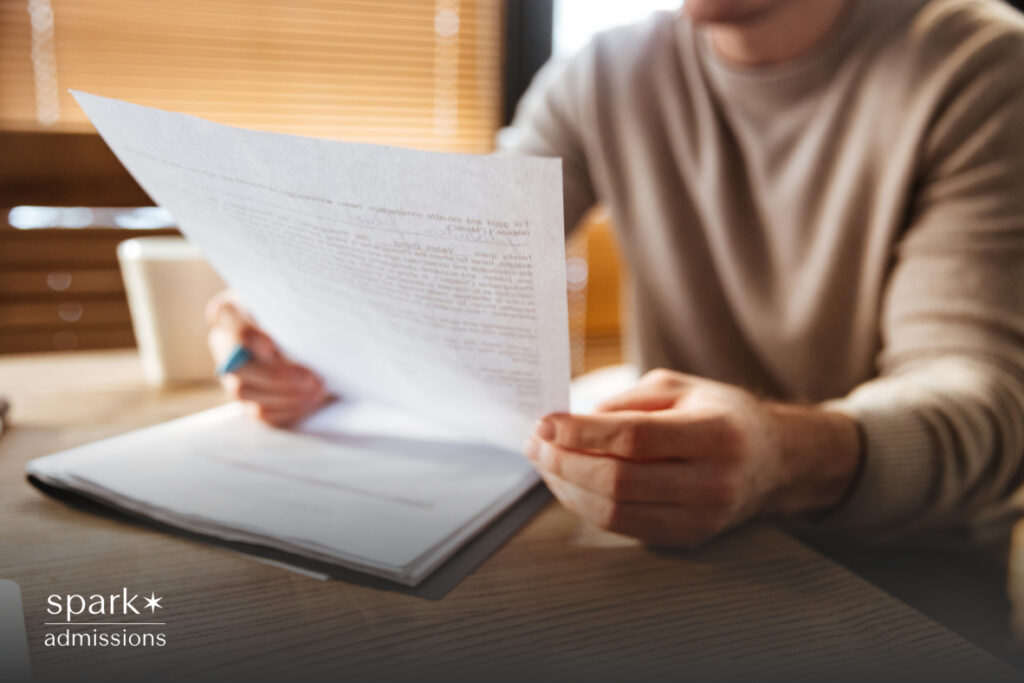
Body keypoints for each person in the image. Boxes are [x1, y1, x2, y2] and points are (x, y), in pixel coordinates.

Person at [208, 0, 1024, 548]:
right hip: (670, 559)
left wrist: (781, 455)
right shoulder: (604, 74)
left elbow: (985, 397)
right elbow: (451, 264)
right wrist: (302, 323)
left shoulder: (980, 66)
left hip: (907, 575)